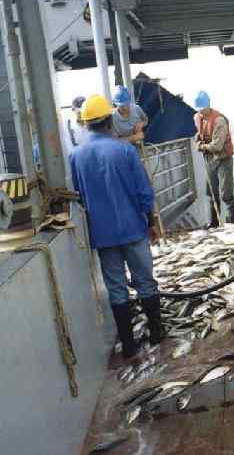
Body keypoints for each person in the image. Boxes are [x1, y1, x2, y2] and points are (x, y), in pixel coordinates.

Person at [70, 94, 164, 360]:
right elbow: (143, 191)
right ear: (110, 120)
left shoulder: (75, 156)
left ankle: (128, 343)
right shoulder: (124, 150)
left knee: (116, 287)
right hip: (133, 228)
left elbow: (77, 195)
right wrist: (151, 221)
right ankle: (157, 332)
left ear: (85, 124)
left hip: (102, 234)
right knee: (145, 281)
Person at [193, 90, 234, 227]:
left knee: (226, 192)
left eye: (202, 109)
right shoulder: (197, 117)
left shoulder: (219, 120)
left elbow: (217, 146)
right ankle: (214, 222)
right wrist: (198, 139)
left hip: (223, 158)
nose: (200, 112)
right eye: (199, 110)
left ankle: (233, 222)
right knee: (211, 192)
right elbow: (199, 132)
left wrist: (201, 147)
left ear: (208, 106)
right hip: (209, 159)